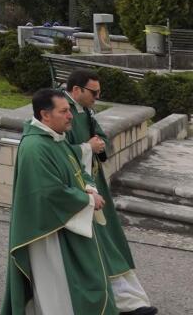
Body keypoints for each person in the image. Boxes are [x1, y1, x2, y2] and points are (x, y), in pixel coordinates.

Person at [1, 89, 117, 315]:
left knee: (76, 284)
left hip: (65, 223)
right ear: (45, 115)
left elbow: (77, 168)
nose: (70, 115)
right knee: (57, 290)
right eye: (64, 111)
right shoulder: (35, 147)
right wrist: (88, 199)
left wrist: (90, 186)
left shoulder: (56, 138)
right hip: (47, 232)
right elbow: (48, 192)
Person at [63, 70, 156, 315]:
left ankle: (128, 299)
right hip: (78, 188)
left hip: (94, 182)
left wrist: (98, 144)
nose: (98, 96)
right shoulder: (64, 113)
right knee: (99, 243)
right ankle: (121, 301)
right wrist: (86, 147)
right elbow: (54, 151)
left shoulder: (86, 112)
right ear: (76, 91)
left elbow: (99, 137)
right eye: (94, 92)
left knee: (109, 239)